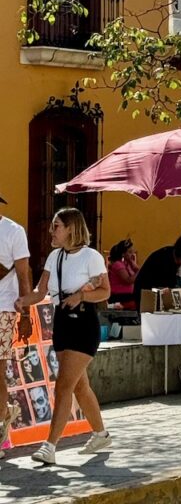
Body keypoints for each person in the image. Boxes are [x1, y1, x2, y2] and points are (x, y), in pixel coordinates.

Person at [16, 208, 111, 465]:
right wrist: (23, 301)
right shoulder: (54, 257)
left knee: (64, 384)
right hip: (62, 323)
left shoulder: (91, 257)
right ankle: (101, 434)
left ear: (71, 228)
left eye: (56, 226)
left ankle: (50, 445)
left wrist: (80, 295)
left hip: (84, 323)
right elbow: (41, 292)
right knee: (79, 385)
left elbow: (105, 292)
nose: (51, 231)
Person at [0, 193, 32, 459]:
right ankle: (5, 415)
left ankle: (1, 431)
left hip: (4, 307)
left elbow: (24, 274)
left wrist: (25, 315)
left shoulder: (13, 231)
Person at [134, 239, 181, 307]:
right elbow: (165, 287)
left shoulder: (173, 254)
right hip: (146, 293)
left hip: (155, 290)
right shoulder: (164, 260)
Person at [107, 239, 139, 305]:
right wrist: (139, 272)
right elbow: (128, 280)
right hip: (119, 297)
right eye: (130, 252)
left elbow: (137, 275)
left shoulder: (127, 264)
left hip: (127, 295)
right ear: (123, 254)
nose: (132, 254)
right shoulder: (118, 264)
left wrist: (134, 265)